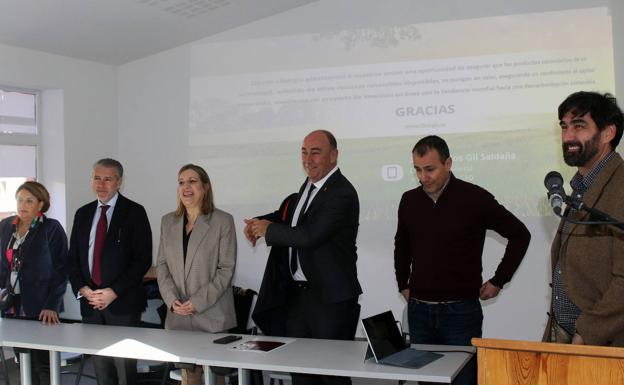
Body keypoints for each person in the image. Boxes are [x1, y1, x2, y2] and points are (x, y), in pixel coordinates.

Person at [394, 135, 530, 385]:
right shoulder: (409, 200)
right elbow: (402, 244)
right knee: (427, 381)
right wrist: (403, 282)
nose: (424, 177)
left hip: (460, 313)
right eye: (418, 170)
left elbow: (520, 235)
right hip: (420, 312)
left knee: (463, 380)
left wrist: (499, 280)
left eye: (430, 169)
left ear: (448, 164)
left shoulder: (475, 198)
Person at [246, 130, 361, 385]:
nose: (308, 159)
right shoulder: (309, 186)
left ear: (334, 156)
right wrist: (260, 222)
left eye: (316, 152)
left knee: (332, 376)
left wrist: (269, 231)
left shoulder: (341, 193)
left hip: (331, 301)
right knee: (300, 373)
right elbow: (293, 219)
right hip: (300, 298)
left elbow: (310, 235)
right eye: (304, 152)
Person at [543, 91, 624, 346]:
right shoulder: (582, 186)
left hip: (602, 345)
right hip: (566, 335)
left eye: (579, 126)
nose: (567, 137)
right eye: (564, 127)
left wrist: (588, 332)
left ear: (608, 133)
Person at [68, 158, 152, 385]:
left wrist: (113, 292)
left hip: (122, 303)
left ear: (119, 182)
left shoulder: (134, 212)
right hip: (90, 303)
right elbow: (73, 259)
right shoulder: (83, 213)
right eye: (97, 178)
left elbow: (142, 260)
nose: (101, 184)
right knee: (101, 368)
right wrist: (83, 290)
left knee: (125, 369)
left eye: (108, 179)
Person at [157, 164, 237, 385]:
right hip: (179, 316)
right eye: (181, 182)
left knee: (215, 379)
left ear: (205, 187)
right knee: (189, 380)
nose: (186, 187)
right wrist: (172, 301)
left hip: (212, 316)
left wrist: (196, 302)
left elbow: (226, 269)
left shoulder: (223, 221)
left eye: (192, 181)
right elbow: (162, 265)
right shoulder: (168, 221)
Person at [0, 181, 68, 385]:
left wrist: (51, 305)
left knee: (43, 363)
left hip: (42, 306)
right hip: (13, 304)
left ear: (40, 204)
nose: (23, 204)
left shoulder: (51, 228)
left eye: (29, 200)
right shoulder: (5, 225)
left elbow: (61, 269)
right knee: (23, 360)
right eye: (20, 199)